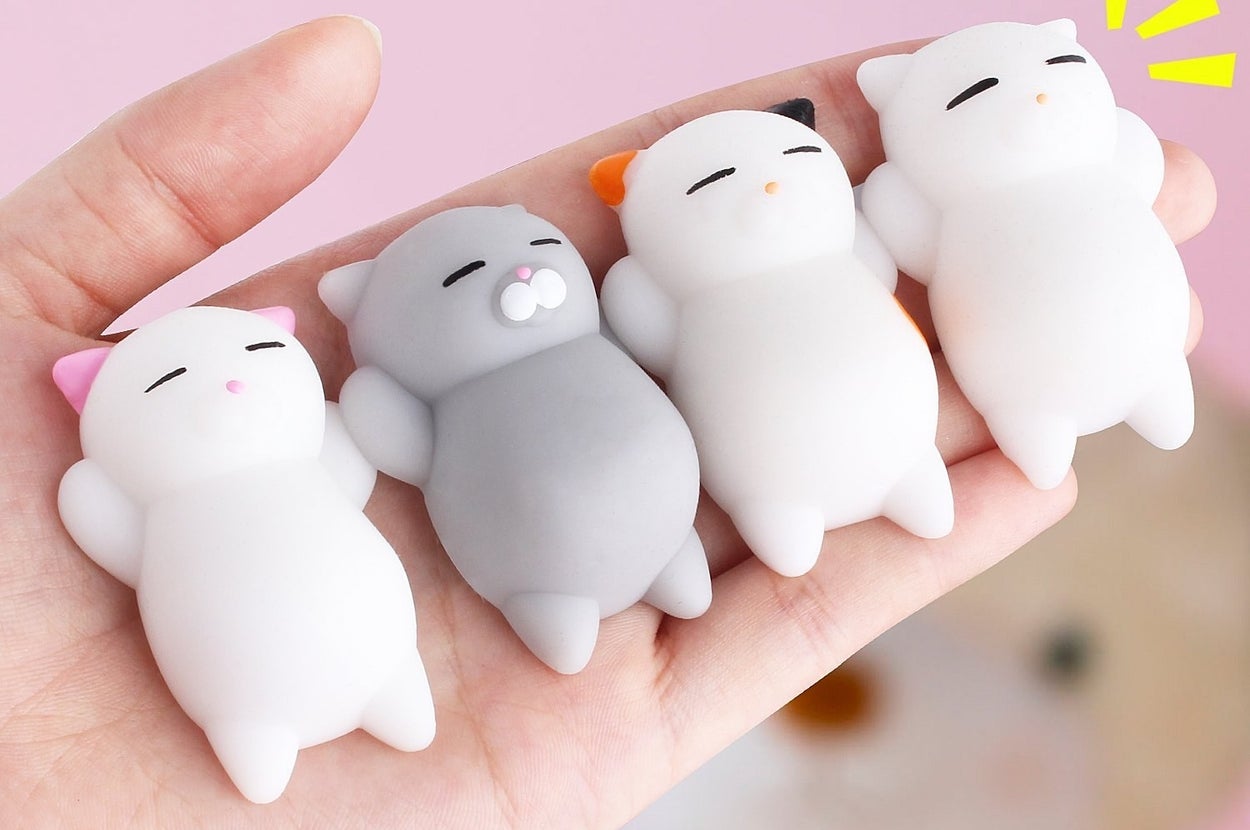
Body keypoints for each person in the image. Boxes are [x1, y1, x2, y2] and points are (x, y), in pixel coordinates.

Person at [0, 16, 1211, 828]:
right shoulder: (249, 455)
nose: (220, 390)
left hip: (754, 469)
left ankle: (849, 488)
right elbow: (354, 457)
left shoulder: (740, 262)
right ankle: (325, 701)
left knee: (879, 487)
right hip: (496, 573)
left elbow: (885, 236)